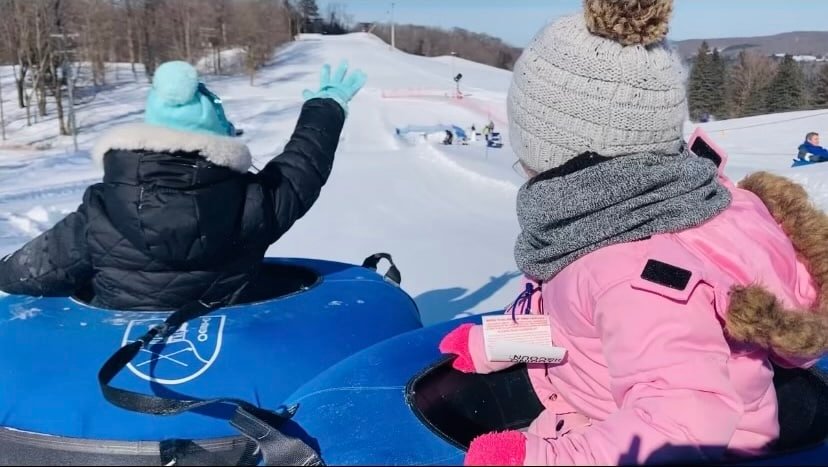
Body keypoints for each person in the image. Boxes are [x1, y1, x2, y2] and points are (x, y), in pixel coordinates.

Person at [438, 0, 828, 465]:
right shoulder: (623, 218)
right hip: (602, 392)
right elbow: (582, 325)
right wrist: (495, 343)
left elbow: (683, 419)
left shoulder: (631, 271)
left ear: (557, 151)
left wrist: (539, 459)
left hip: (633, 435)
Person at [0, 60, 366, 311]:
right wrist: (326, 106)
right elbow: (303, 165)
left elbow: (25, 273)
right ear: (217, 136)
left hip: (123, 360)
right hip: (226, 351)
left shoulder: (100, 211)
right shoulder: (253, 202)